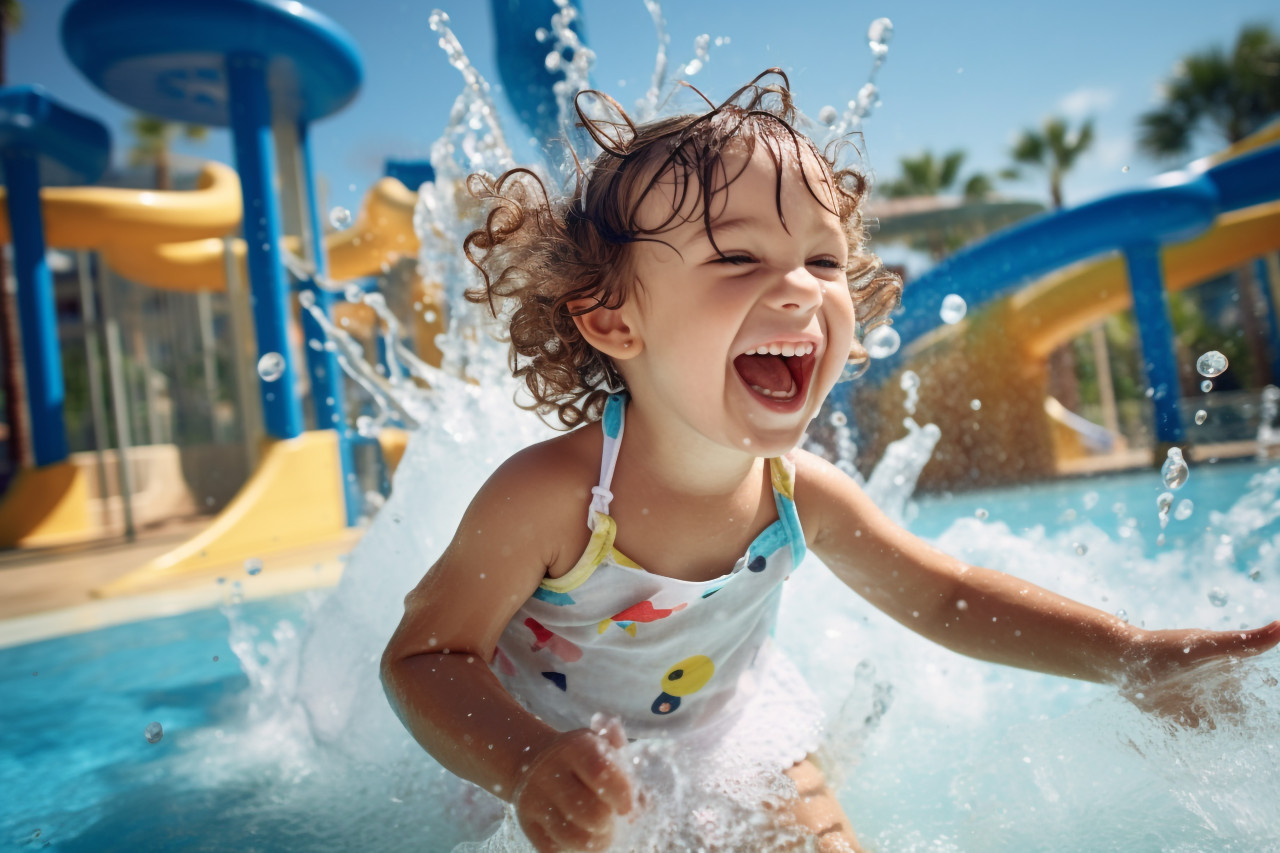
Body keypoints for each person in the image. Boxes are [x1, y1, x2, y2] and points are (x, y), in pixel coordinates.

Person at [380, 70, 1280, 852]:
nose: (801, 286)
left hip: (736, 734)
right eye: (736, 255)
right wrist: (526, 759)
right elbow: (425, 655)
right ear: (614, 320)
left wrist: (1130, 655)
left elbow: (945, 595)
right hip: (547, 751)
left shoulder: (799, 492)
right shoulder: (553, 497)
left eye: (823, 256)